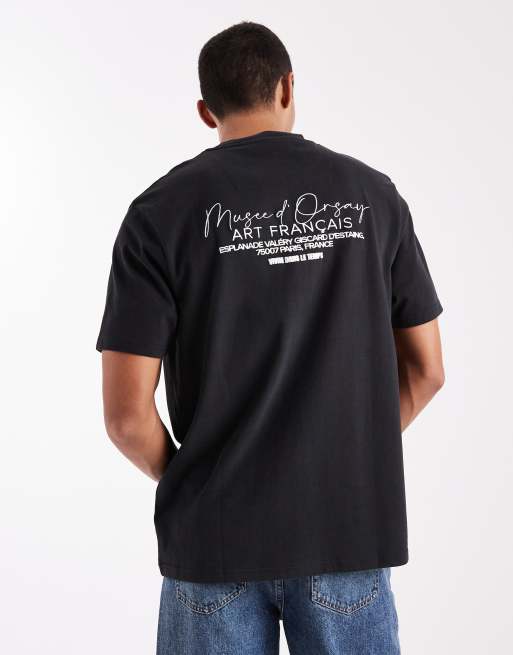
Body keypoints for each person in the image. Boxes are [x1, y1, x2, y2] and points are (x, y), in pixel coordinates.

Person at [96, 21, 444, 655]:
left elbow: (125, 417)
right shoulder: (373, 197)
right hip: (345, 531)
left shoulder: (159, 214)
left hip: (215, 540)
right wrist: (342, 457)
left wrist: (199, 479)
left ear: (206, 111)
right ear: (288, 87)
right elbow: (426, 371)